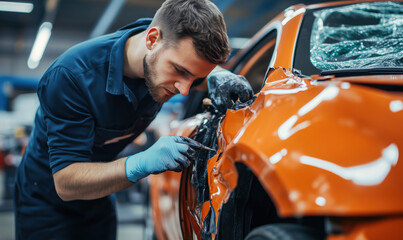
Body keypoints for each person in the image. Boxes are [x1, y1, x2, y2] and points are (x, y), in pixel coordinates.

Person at [14, 0, 253, 239]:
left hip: (101, 193)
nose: (184, 90)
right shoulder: (72, 77)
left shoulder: (164, 50)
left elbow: (192, 66)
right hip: (46, 201)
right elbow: (66, 183)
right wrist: (141, 163)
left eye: (195, 78)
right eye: (181, 71)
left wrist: (222, 75)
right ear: (152, 39)